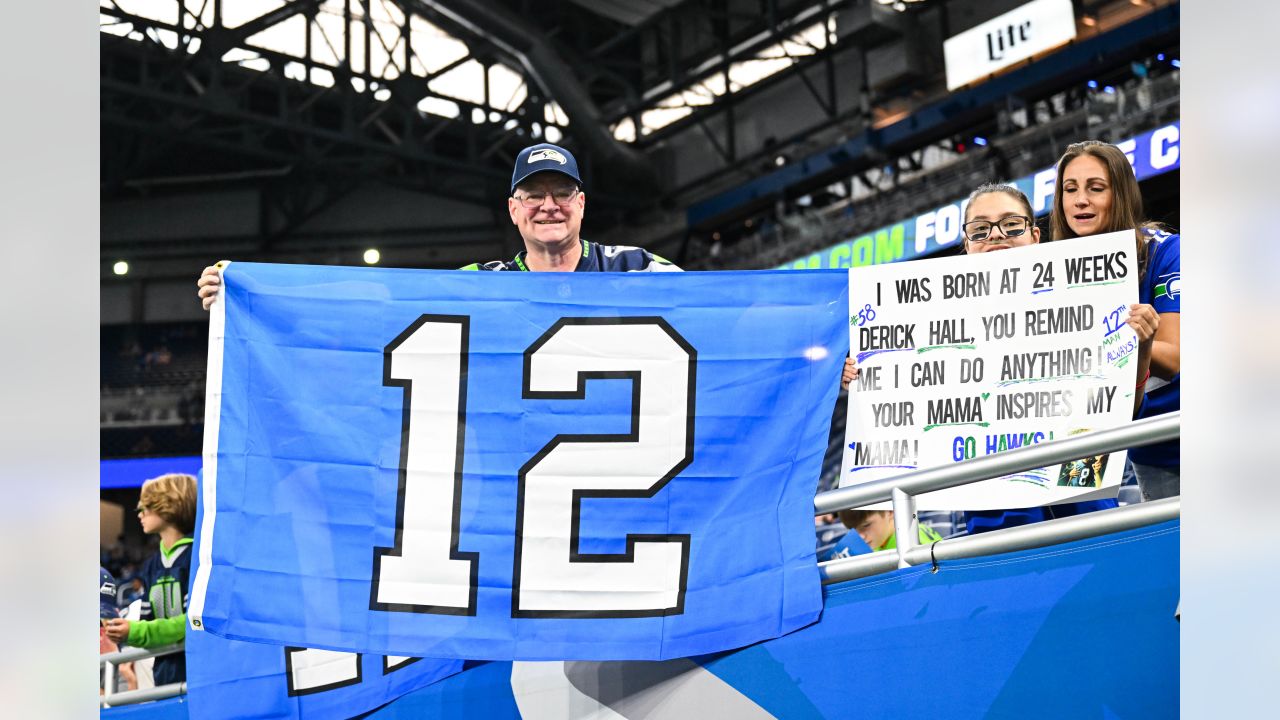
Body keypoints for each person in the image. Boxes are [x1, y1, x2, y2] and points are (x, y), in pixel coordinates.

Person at [195, 144, 679, 308]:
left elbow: (725, 305)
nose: (548, 206)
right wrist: (250, 291)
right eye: (534, 195)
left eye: (561, 194)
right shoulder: (480, 284)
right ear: (514, 209)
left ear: (582, 204)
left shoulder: (636, 268)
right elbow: (386, 296)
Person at [1051, 141, 1181, 501]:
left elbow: (1174, 361)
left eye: (1096, 188)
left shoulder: (1167, 252)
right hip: (1140, 446)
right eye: (1070, 189)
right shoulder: (1053, 272)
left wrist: (1127, 339)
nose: (1081, 200)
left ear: (1120, 194)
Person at [104, 473, 197, 686]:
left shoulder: (197, 557)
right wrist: (126, 631)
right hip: (164, 676)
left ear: (170, 506)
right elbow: (147, 624)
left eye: (146, 506)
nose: (139, 513)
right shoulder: (151, 565)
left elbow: (193, 623)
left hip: (196, 676)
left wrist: (135, 631)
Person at [838, 509, 942, 553]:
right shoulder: (881, 540)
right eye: (852, 530)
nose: (860, 536)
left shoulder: (909, 541)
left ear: (890, 511)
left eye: (866, 525)